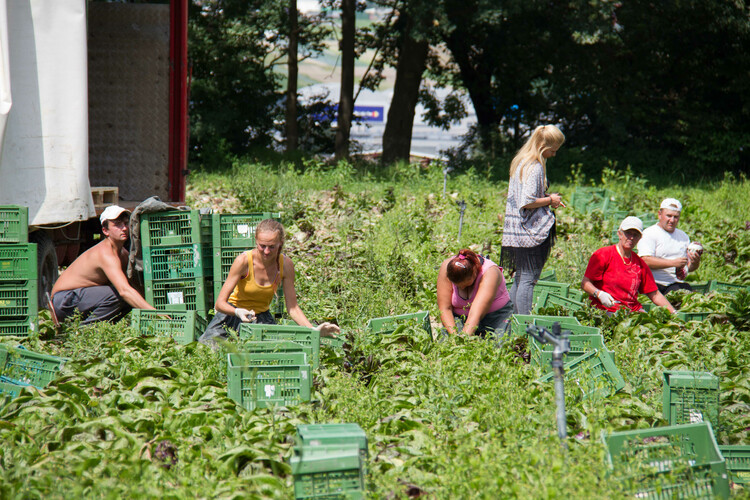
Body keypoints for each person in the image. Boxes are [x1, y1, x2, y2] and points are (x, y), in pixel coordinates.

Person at [198, 219, 339, 346]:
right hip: (231, 315)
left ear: (280, 243)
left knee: (273, 353)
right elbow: (220, 303)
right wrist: (237, 311)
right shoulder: (243, 261)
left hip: (261, 318)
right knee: (208, 349)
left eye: (272, 246)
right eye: (262, 246)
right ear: (256, 241)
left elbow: (293, 308)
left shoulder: (286, 265)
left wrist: (313, 330)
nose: (266, 251)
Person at [51, 205, 155, 324]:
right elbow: (124, 291)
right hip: (64, 301)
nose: (124, 228)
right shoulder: (105, 254)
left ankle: (102, 327)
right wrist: (155, 314)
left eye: (126, 223)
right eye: (117, 224)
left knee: (131, 296)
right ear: (105, 231)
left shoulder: (123, 254)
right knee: (120, 295)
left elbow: (133, 287)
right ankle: (88, 331)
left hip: (80, 298)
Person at [500, 124, 565, 315]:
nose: (554, 155)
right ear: (544, 146)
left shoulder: (520, 162)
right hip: (530, 233)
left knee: (520, 278)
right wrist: (550, 200)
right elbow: (527, 201)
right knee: (528, 279)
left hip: (516, 232)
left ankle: (513, 322)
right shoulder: (535, 166)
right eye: (553, 150)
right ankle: (524, 324)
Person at [582, 216, 676, 314]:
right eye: (628, 233)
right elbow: (585, 283)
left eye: (635, 235)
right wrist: (599, 294)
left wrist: (673, 312)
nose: (631, 237)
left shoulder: (639, 263)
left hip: (631, 311)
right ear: (620, 234)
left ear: (640, 238)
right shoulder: (603, 254)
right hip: (606, 310)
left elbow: (655, 294)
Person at [437, 249, 514, 337]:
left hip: (495, 317)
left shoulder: (490, 273)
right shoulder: (447, 268)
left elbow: (475, 314)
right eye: (456, 285)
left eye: (465, 285)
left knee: (497, 347)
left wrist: (464, 339)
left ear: (474, 274)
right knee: (447, 345)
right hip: (459, 317)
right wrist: (454, 337)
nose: (461, 288)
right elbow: (444, 308)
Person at [637, 198, 703, 295]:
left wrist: (695, 262)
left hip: (674, 284)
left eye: (676, 217)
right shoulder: (650, 233)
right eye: (669, 216)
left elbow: (688, 268)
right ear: (660, 214)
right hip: (653, 283)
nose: (672, 220)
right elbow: (645, 260)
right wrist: (672, 263)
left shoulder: (683, 237)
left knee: (687, 295)